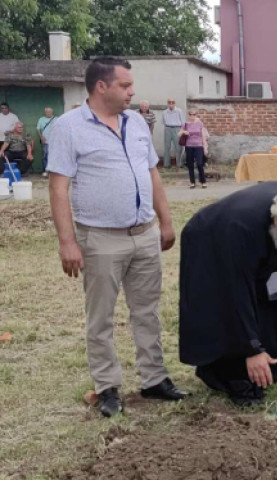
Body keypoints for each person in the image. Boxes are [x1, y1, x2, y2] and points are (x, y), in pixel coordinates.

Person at [47, 57, 188, 417]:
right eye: (125, 85)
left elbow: (152, 174)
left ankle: (154, 379)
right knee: (101, 317)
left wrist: (166, 221)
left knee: (147, 311)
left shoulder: (137, 122)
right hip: (100, 238)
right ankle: (107, 387)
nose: (132, 91)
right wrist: (67, 241)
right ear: (101, 87)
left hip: (144, 234)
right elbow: (59, 188)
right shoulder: (69, 127)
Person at [179, 182, 277, 406]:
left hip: (254, 238)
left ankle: (263, 364)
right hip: (210, 241)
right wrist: (251, 349)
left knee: (271, 299)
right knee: (225, 305)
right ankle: (227, 372)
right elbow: (236, 296)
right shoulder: (239, 229)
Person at [179, 110, 209, 189]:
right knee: (190, 165)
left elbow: (203, 136)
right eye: (191, 114)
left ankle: (203, 181)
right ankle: (192, 182)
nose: (192, 116)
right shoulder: (186, 124)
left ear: (196, 115)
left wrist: (205, 148)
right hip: (189, 146)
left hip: (199, 146)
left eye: (194, 114)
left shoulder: (200, 124)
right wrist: (184, 132)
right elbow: (178, 134)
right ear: (189, 115)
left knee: (200, 164)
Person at [162, 98, 184, 169]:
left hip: (177, 128)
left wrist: (181, 131)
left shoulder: (179, 111)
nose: (171, 103)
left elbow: (183, 122)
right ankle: (166, 165)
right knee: (167, 147)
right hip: (168, 128)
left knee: (178, 147)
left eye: (172, 102)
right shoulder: (164, 112)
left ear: (175, 103)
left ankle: (179, 164)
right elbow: (163, 121)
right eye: (169, 102)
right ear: (167, 103)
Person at [37, 107, 57, 177]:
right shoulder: (41, 119)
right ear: (45, 112)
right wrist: (41, 137)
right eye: (47, 112)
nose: (48, 113)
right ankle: (46, 171)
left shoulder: (56, 119)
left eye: (50, 112)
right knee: (45, 155)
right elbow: (38, 129)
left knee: (54, 156)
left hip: (55, 141)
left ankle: (54, 171)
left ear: (52, 112)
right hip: (46, 141)